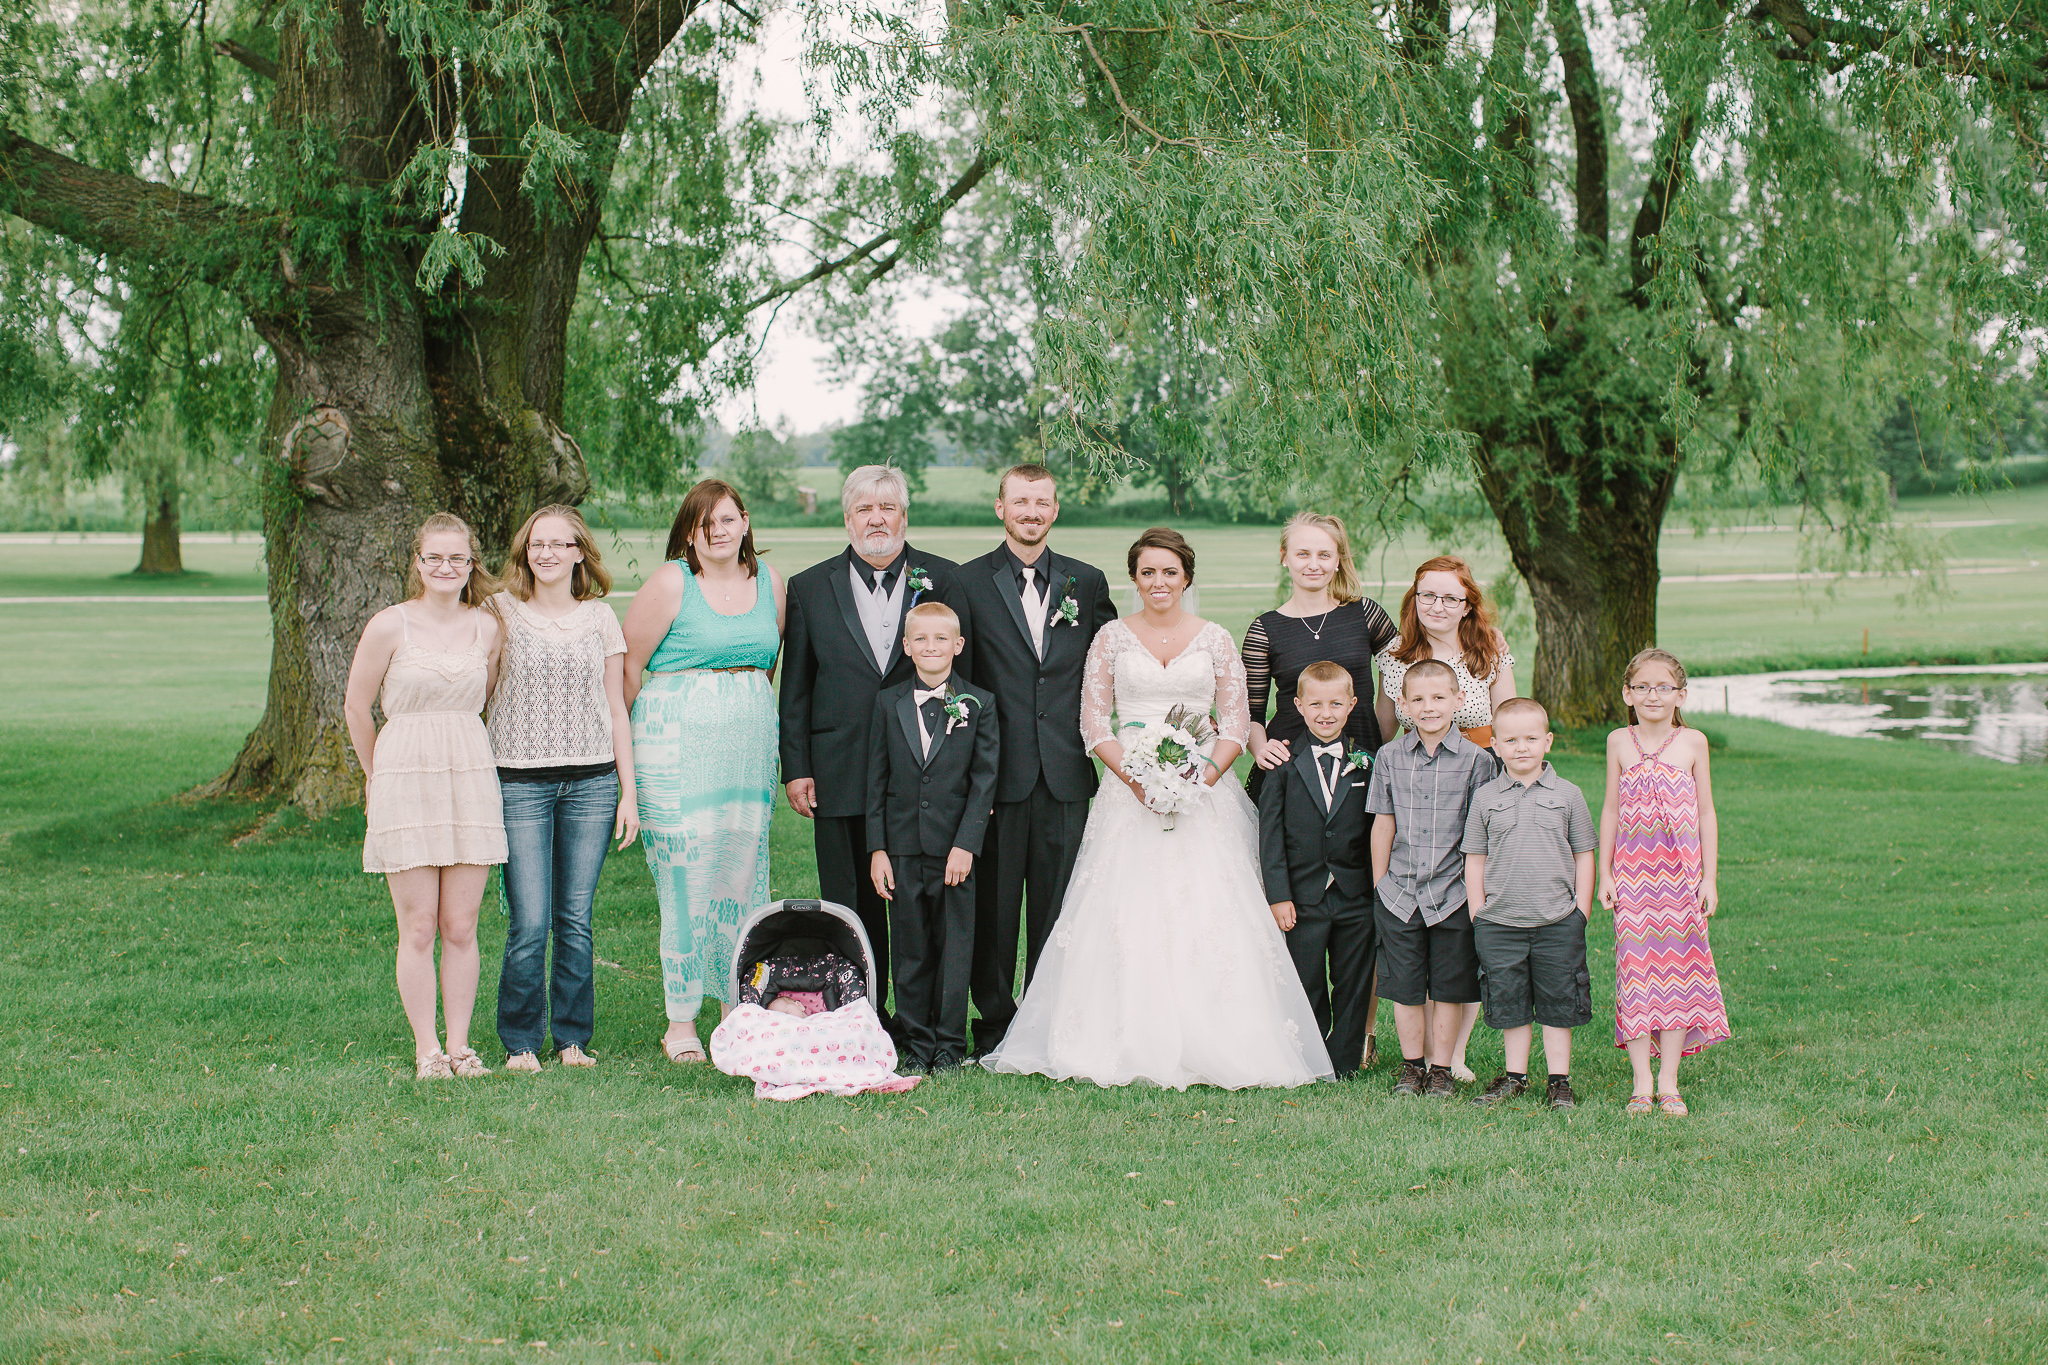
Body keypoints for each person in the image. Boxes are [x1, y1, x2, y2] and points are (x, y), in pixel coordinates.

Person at [982, 528, 1333, 1089]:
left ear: (1187, 577)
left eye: (1169, 571)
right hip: (1129, 793)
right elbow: (1094, 723)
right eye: (1148, 572)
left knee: (1213, 913)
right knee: (1124, 912)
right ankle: (1114, 1035)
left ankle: (1222, 1035)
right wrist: (1139, 781)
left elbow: (1236, 721)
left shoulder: (1215, 639)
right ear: (1135, 579)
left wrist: (1202, 776)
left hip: (1205, 792)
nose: (1159, 582)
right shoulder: (1111, 639)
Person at [779, 465, 971, 1017]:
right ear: (848, 519)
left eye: (887, 507)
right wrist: (797, 766)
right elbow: (797, 687)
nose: (877, 518)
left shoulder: (945, 579)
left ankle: (924, 1018)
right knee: (850, 902)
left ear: (904, 516)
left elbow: (966, 680)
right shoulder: (810, 587)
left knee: (919, 899)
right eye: (865, 509)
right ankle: (859, 1014)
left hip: (922, 774)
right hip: (838, 768)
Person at [955, 463, 1116, 1055]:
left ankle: (1050, 1021)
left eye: (1041, 502)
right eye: (1020, 501)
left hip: (1067, 772)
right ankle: (995, 1023)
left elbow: (1110, 668)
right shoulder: (967, 582)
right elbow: (960, 685)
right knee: (995, 913)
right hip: (997, 778)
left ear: (1055, 510)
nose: (1031, 511)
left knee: (1060, 909)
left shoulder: (1087, 582)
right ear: (1000, 507)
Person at [623, 479, 785, 1065]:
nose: (716, 532)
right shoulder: (673, 582)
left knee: (743, 876)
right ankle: (680, 1021)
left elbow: (764, 668)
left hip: (746, 751)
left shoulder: (772, 585)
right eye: (702, 524)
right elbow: (630, 669)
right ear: (689, 534)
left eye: (725, 519)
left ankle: (737, 1009)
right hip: (675, 751)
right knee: (687, 883)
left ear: (744, 521)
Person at [343, 513, 507, 1080]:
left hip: (467, 771)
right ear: (417, 563)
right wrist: (375, 775)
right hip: (404, 774)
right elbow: (355, 707)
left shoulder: (487, 627)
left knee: (460, 925)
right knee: (417, 926)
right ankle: (427, 1050)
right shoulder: (389, 626)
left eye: (457, 558)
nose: (445, 567)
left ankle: (461, 1046)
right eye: (434, 557)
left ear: (470, 565)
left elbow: (487, 697)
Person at [487, 504, 637, 1074]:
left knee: (575, 917)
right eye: (537, 544)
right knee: (529, 920)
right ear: (526, 551)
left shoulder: (600, 618)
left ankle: (572, 1039)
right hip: (518, 784)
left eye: (559, 544)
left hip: (592, 784)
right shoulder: (500, 612)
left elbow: (616, 710)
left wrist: (629, 793)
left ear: (579, 553)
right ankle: (521, 1041)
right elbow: (479, 685)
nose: (546, 553)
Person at [1374, 554, 1518, 1080]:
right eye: (1427, 595)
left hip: (1484, 777)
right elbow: (1386, 729)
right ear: (1414, 599)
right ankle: (1429, 1055)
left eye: (1450, 597)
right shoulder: (1395, 654)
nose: (1438, 605)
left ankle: (1452, 1053)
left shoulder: (1490, 646)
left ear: (1467, 604)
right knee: (1425, 913)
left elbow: (1510, 715)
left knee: (1470, 915)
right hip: (1420, 786)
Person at [865, 602, 1001, 1073]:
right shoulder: (888, 704)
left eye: (941, 639)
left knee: (954, 949)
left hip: (953, 852)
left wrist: (966, 844)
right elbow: (875, 781)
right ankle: (917, 1042)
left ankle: (949, 1044)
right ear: (906, 646)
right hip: (901, 848)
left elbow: (985, 781)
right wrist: (878, 848)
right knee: (910, 949)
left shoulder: (979, 703)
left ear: (958, 646)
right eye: (920, 639)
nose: (930, 647)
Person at [1599, 647, 1729, 1116]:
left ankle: (1669, 1083)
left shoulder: (1693, 742)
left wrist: (1709, 879)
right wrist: (1605, 873)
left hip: (1682, 879)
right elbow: (1611, 809)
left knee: (1677, 977)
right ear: (1627, 694)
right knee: (1636, 976)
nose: (1653, 695)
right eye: (1642, 687)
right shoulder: (1618, 741)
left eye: (1664, 687)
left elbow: (1707, 812)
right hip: (1634, 880)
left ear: (1681, 694)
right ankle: (1640, 1083)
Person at [1367, 659, 1494, 1099]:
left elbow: (1482, 836)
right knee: (1404, 988)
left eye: (1439, 697)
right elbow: (1383, 824)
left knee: (1449, 988)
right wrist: (1380, 884)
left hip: (1453, 893)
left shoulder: (1479, 762)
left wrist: (1477, 893)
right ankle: (1412, 1066)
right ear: (1402, 704)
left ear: (1459, 701)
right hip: (1399, 893)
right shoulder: (1390, 757)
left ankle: (1441, 1068)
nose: (1429, 707)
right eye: (1418, 699)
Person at [1462, 697, 1597, 1110]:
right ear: (1496, 745)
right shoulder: (1485, 798)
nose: (1522, 748)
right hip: (1500, 921)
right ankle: (1515, 1076)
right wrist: (1477, 911)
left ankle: (1559, 1081)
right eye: (1511, 740)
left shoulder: (1568, 795)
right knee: (1510, 1001)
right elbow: (1475, 857)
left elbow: (1584, 854)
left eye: (1531, 739)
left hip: (1557, 919)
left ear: (1548, 742)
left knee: (1559, 1001)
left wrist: (1581, 911)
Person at [1258, 661, 1377, 1077]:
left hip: (1354, 895)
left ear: (1351, 705)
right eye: (1316, 704)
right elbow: (1269, 834)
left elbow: (1376, 832)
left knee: (1353, 982)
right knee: (1305, 980)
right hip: (1302, 897)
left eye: (1335, 704)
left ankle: (1343, 1061)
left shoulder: (1367, 762)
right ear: (1299, 705)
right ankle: (1308, 1057)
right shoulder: (1282, 764)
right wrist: (1278, 895)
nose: (1326, 713)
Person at [1243, 512, 1398, 803]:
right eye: (1303, 554)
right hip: (1292, 765)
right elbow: (1251, 712)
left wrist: (1381, 732)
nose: (1314, 564)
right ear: (1284, 557)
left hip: (1361, 760)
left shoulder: (1365, 614)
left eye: (1324, 555)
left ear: (1338, 560)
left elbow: (1406, 666)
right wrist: (1261, 749)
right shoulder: (1264, 629)